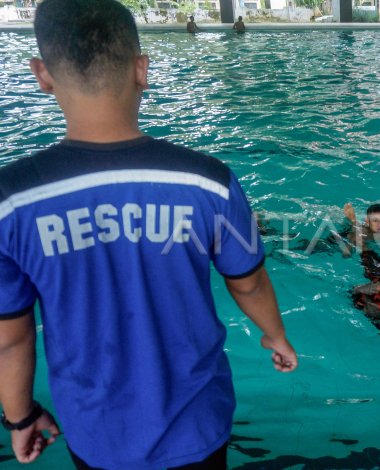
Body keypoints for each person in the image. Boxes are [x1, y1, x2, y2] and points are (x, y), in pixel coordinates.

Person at [0, 0, 297, 467]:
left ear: (42, 74)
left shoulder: (10, 200)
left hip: (97, 432)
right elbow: (249, 281)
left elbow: (12, 337)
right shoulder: (206, 180)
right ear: (142, 70)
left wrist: (19, 417)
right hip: (197, 422)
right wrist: (276, 336)